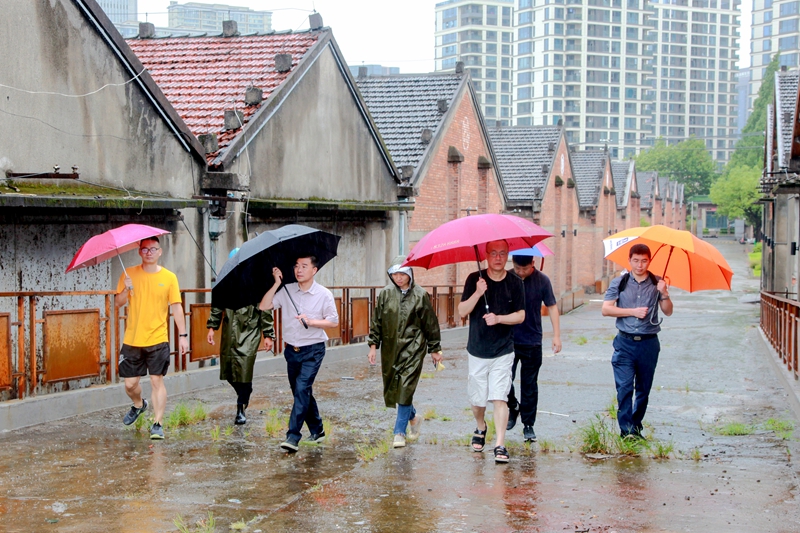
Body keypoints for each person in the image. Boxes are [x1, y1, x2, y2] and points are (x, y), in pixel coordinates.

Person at [259, 255, 339, 453]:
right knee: (300, 391)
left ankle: (293, 436)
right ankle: (318, 430)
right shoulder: (287, 290)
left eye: (304, 266)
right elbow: (264, 306)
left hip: (313, 348)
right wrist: (277, 283)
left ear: (314, 270)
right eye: (296, 266)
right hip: (291, 350)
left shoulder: (323, 294)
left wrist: (311, 321)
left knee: (302, 388)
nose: (299, 270)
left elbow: (333, 321)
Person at [458, 239, 525, 463]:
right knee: (478, 401)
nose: (498, 257)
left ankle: (500, 444)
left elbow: (520, 315)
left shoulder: (515, 282)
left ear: (508, 255)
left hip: (503, 351)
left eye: (502, 253)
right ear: (486, 255)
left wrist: (499, 319)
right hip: (477, 349)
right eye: (493, 253)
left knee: (500, 397)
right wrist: (477, 293)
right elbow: (462, 311)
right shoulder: (473, 279)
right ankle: (481, 426)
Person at [115, 236, 188, 440]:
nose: (149, 252)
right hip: (133, 339)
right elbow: (117, 303)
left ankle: (158, 423)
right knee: (130, 384)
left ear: (160, 252)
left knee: (157, 380)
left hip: (158, 338)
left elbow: (176, 307)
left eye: (153, 249)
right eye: (145, 249)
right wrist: (125, 290)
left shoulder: (169, 277)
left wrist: (183, 335)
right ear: (139, 251)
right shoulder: (128, 274)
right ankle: (139, 405)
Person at [367, 256, 444, 449]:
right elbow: (376, 321)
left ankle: (399, 432)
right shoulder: (385, 294)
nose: (399, 278)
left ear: (410, 274)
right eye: (395, 274)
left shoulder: (420, 295)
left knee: (406, 385)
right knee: (396, 386)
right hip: (391, 348)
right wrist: (373, 345)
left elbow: (430, 324)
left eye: (402, 273)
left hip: (414, 348)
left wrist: (435, 349)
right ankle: (413, 417)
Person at [601, 243, 673, 438]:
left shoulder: (657, 282)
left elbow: (668, 311)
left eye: (644, 261)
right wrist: (632, 312)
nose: (640, 265)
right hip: (624, 342)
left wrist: (664, 293)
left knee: (643, 389)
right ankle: (626, 430)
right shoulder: (620, 282)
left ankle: (635, 423)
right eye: (636, 260)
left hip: (649, 343)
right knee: (624, 387)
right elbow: (606, 309)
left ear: (649, 261)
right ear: (629, 260)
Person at [207, 249, 275, 426]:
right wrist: (212, 328)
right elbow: (217, 306)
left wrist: (268, 334)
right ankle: (245, 391)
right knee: (229, 371)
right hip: (229, 331)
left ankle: (240, 407)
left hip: (250, 331)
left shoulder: (259, 282)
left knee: (244, 367)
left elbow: (265, 310)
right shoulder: (225, 282)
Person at [506, 254, 561, 443]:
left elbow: (552, 307)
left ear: (533, 264)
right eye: (517, 268)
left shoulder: (542, 280)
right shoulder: (507, 277)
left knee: (529, 385)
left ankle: (528, 424)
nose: (520, 273)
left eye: (525, 269)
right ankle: (513, 407)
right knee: (505, 381)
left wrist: (556, 336)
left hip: (532, 340)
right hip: (508, 340)